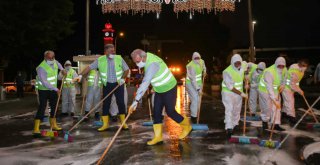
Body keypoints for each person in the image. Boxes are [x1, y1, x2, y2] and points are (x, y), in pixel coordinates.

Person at [129, 49, 192, 145]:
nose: (137, 64)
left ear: (142, 57)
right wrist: (154, 86)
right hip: (159, 90)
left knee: (170, 112)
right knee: (157, 112)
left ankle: (187, 126)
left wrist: (135, 101)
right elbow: (154, 76)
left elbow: (145, 82)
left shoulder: (153, 64)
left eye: (137, 62)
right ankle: (158, 137)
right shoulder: (147, 58)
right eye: (135, 62)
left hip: (169, 88)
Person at [77, 44, 129, 131]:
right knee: (106, 104)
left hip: (118, 84)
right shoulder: (100, 60)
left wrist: (123, 79)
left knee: (121, 103)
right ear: (106, 52)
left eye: (114, 50)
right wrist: (80, 75)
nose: (113, 52)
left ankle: (123, 123)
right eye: (111, 51)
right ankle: (105, 124)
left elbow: (126, 69)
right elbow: (89, 68)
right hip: (107, 85)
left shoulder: (119, 58)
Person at [33, 50, 66, 135]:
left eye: (53, 58)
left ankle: (54, 124)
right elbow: (45, 82)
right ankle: (36, 128)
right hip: (43, 90)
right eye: (49, 58)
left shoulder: (55, 62)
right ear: (45, 58)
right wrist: (56, 89)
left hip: (52, 90)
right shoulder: (41, 68)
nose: (51, 60)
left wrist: (62, 70)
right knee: (42, 107)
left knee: (54, 107)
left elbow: (58, 64)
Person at [221, 54, 248, 139]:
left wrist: (247, 77)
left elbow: (246, 66)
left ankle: (235, 124)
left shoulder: (242, 64)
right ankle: (229, 128)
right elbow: (230, 87)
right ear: (232, 63)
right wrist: (242, 94)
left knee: (237, 109)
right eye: (235, 63)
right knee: (229, 109)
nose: (237, 64)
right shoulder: (227, 72)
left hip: (238, 93)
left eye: (239, 63)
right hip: (228, 93)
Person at [258, 57, 287, 131]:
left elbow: (285, 78)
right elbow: (269, 87)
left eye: (282, 66)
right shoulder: (269, 72)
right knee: (267, 107)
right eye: (279, 66)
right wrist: (274, 99)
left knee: (277, 107)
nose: (281, 67)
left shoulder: (284, 69)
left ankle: (276, 124)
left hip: (275, 90)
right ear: (276, 64)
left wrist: (283, 85)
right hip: (264, 91)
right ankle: (265, 121)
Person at [282, 59, 309, 124]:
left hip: (291, 89)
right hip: (286, 88)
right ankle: (292, 117)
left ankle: (284, 114)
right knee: (290, 102)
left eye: (306, 66)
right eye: (303, 65)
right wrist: (299, 90)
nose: (304, 67)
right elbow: (292, 84)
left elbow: (296, 83)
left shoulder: (301, 71)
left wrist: (299, 89)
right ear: (299, 64)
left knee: (287, 102)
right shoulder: (294, 71)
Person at [186, 52, 206, 123]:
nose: (197, 59)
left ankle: (196, 115)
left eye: (198, 58)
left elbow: (203, 66)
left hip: (199, 83)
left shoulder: (201, 61)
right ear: (192, 58)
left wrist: (205, 71)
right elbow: (193, 80)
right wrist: (198, 89)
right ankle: (193, 117)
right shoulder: (190, 66)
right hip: (190, 84)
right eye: (195, 58)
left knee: (198, 100)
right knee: (195, 99)